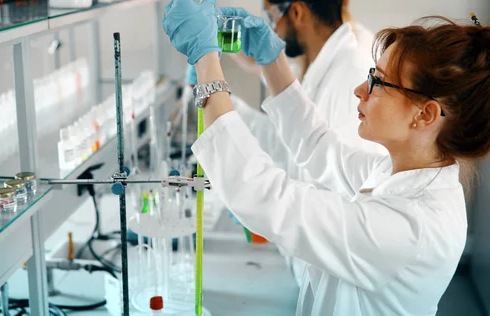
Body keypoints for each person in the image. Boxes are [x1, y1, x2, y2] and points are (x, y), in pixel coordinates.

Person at [163, 1, 490, 315]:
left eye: (379, 81)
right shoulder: (397, 173)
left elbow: (265, 198)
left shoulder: (409, 229)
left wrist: (206, 60)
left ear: (425, 114)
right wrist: (272, 59)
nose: (361, 89)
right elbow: (319, 148)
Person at [187, 0, 386, 286]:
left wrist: (207, 67)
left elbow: (290, 192)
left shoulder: (349, 71)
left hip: (327, 263)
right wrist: (228, 96)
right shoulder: (330, 59)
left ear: (296, 12)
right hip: (313, 258)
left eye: (270, 15)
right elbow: (304, 143)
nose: (270, 25)